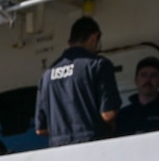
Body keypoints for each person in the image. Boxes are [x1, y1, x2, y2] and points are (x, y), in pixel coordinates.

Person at [34, 17, 120, 146]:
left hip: (60, 153)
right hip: (94, 148)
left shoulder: (47, 76)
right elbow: (108, 114)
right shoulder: (98, 65)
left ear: (70, 42)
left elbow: (41, 129)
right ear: (94, 37)